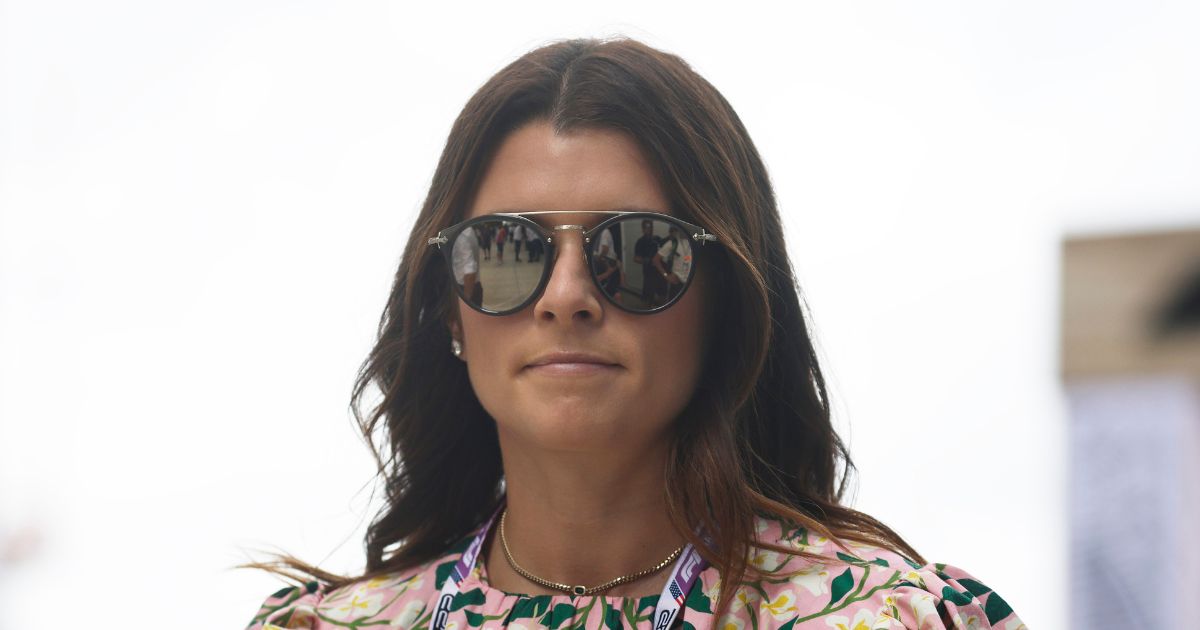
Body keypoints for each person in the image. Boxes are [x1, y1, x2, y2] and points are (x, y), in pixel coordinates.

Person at [243, 38, 1026, 629]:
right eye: (508, 252)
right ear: (448, 307)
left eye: (639, 251)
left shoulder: (884, 618)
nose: (566, 296)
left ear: (729, 301)